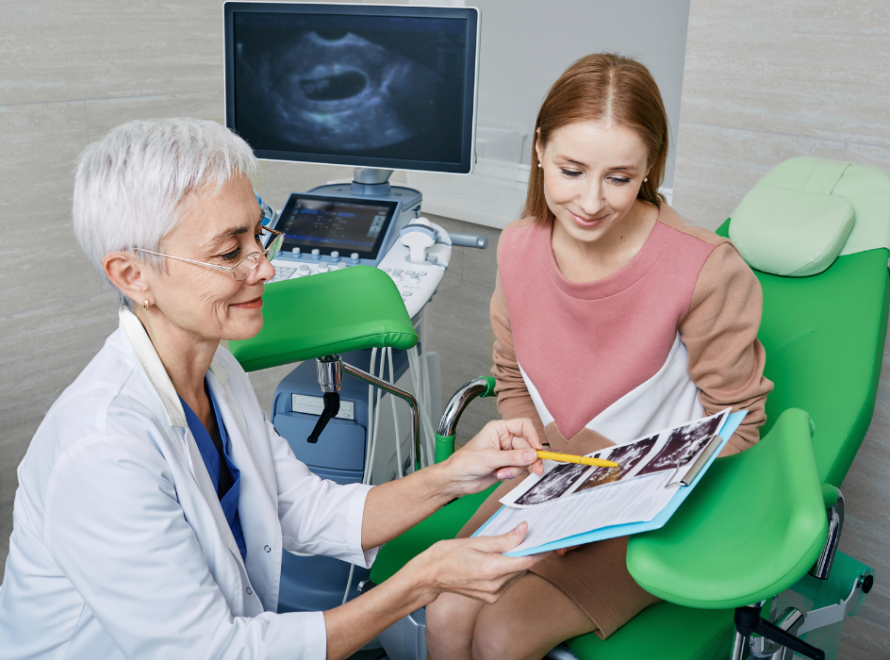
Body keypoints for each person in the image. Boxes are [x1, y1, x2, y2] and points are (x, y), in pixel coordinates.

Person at [0, 118, 548, 660]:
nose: (263, 268)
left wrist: (452, 476)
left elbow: (305, 510)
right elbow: (214, 654)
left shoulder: (214, 371)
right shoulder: (101, 452)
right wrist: (418, 582)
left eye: (258, 235)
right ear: (132, 275)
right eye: (228, 252)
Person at [425, 53, 773, 660]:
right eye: (571, 169)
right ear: (539, 149)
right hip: (553, 478)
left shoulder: (704, 268)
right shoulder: (519, 248)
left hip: (652, 503)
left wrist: (619, 499)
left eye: (618, 177)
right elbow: (511, 378)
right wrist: (539, 465)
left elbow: (739, 422)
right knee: (445, 610)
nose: (589, 201)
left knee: (503, 636)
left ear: (649, 169)